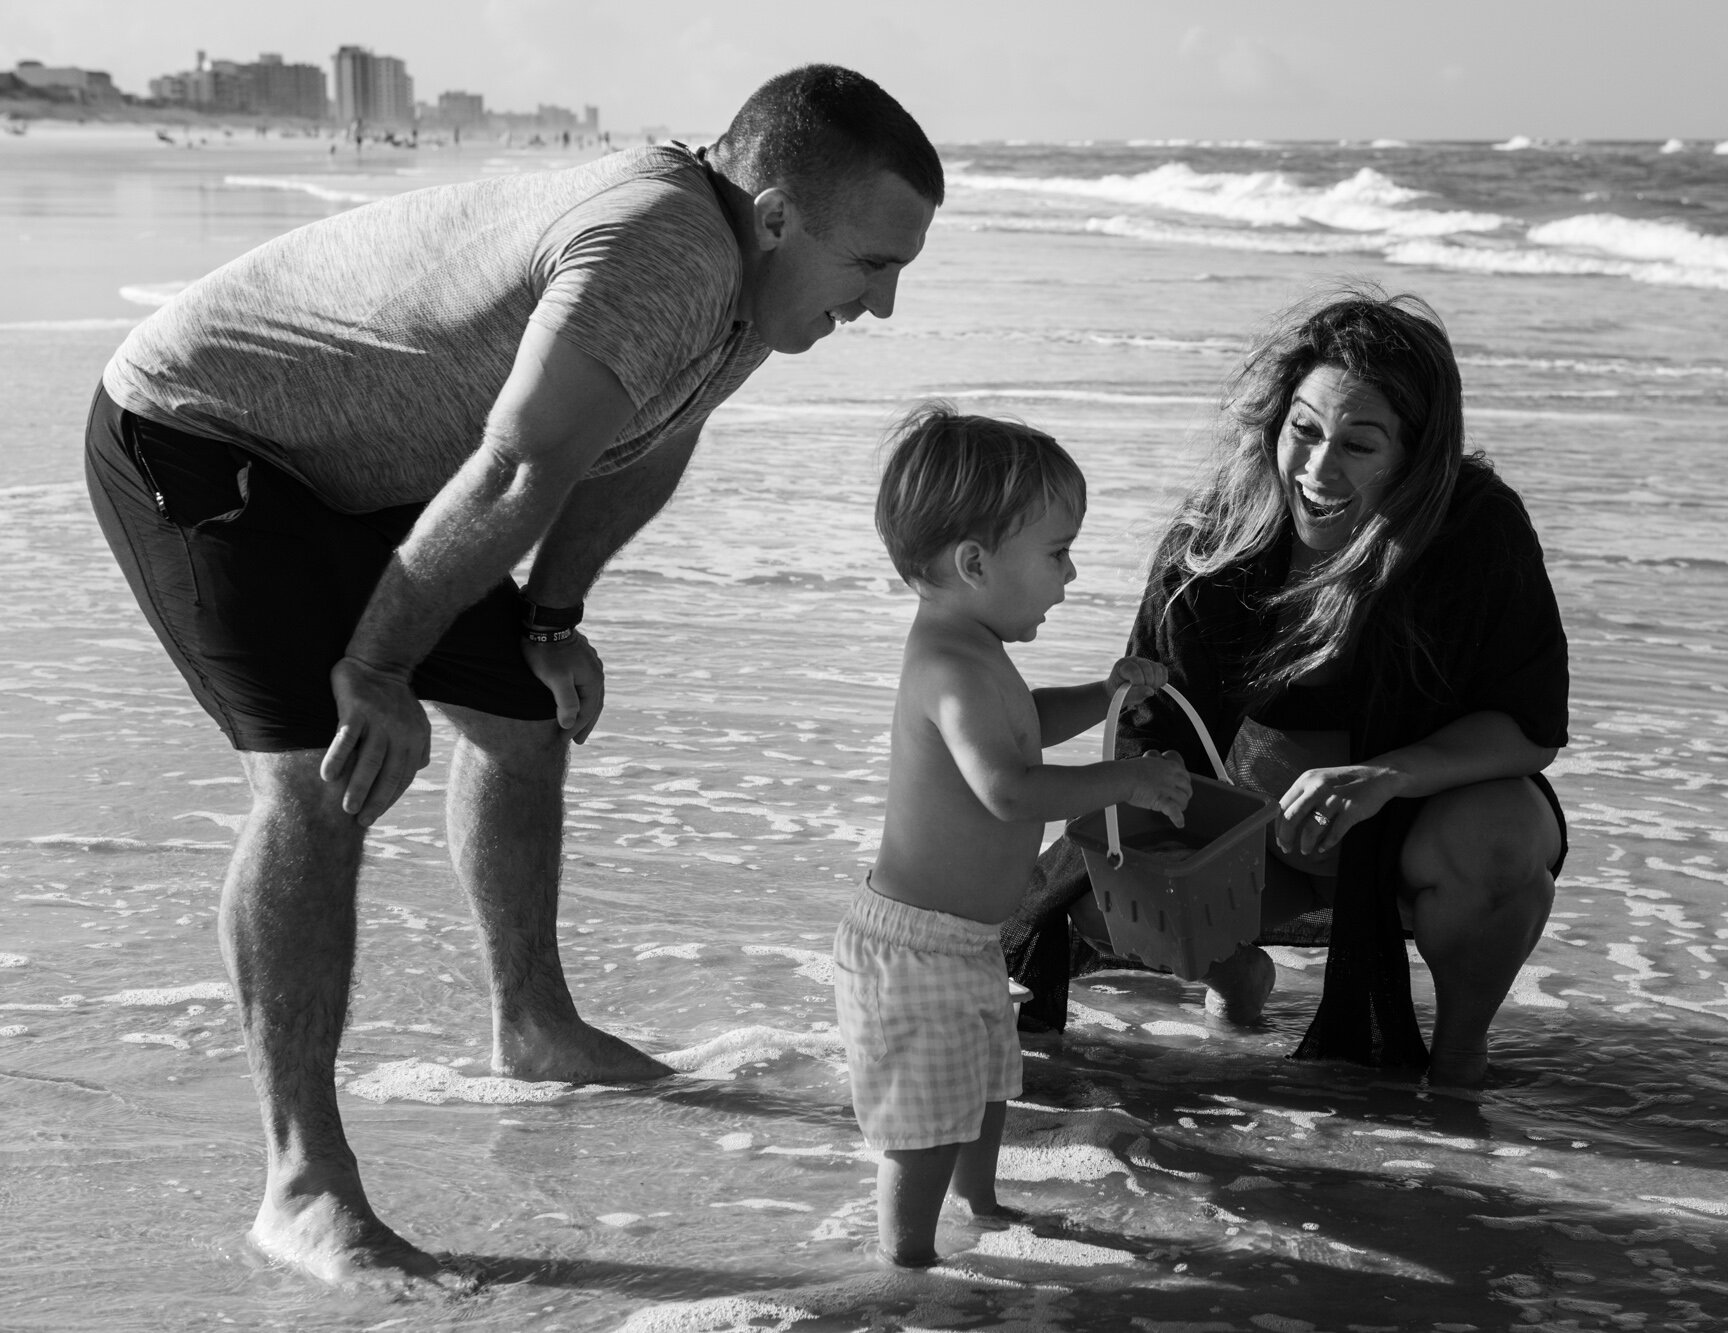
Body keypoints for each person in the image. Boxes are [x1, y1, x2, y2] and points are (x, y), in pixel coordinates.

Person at [83, 65, 942, 1289]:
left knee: (522, 715)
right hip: (206, 433)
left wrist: (550, 613)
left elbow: (638, 445)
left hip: (366, 471)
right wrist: (374, 667)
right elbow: (510, 474)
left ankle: (531, 1026)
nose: (887, 304)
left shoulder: (750, 295)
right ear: (775, 215)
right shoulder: (666, 254)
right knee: (323, 777)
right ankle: (302, 1182)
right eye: (872, 266)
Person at [1003, 289, 1569, 1090]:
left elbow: (1529, 726)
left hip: (1415, 828)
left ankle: (1458, 1059)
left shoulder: (1476, 531)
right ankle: (1236, 980)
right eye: (1303, 431)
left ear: (1416, 455)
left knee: (1504, 840)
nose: (1317, 470)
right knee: (1104, 890)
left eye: (1359, 445)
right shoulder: (1217, 538)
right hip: (1251, 842)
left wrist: (1387, 776)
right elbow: (1148, 731)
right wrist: (1213, 836)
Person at [843, 406, 1191, 1267]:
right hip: (916, 947)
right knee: (926, 1118)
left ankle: (984, 1202)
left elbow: (1024, 725)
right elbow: (1006, 787)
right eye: (1058, 551)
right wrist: (1128, 779)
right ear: (974, 562)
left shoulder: (977, 647)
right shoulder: (951, 664)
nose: (1070, 574)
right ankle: (908, 1260)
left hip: (963, 941)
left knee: (987, 1083)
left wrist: (1103, 694)